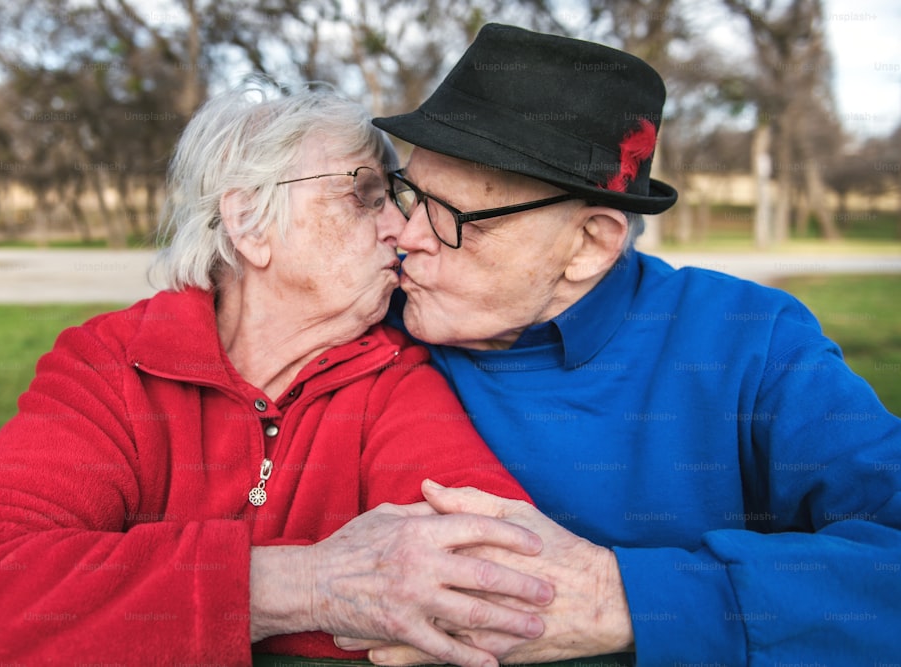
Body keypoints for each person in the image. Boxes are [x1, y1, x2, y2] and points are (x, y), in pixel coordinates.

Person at [0, 85, 558, 667]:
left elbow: (494, 580)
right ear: (248, 223)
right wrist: (306, 586)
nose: (404, 228)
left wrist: (114, 605)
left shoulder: (397, 371)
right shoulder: (112, 364)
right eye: (366, 193)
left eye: (398, 197)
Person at [335, 23, 901, 666]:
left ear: (589, 245)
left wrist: (624, 599)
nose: (405, 236)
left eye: (451, 216)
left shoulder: (747, 340)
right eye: (408, 194)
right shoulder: (363, 315)